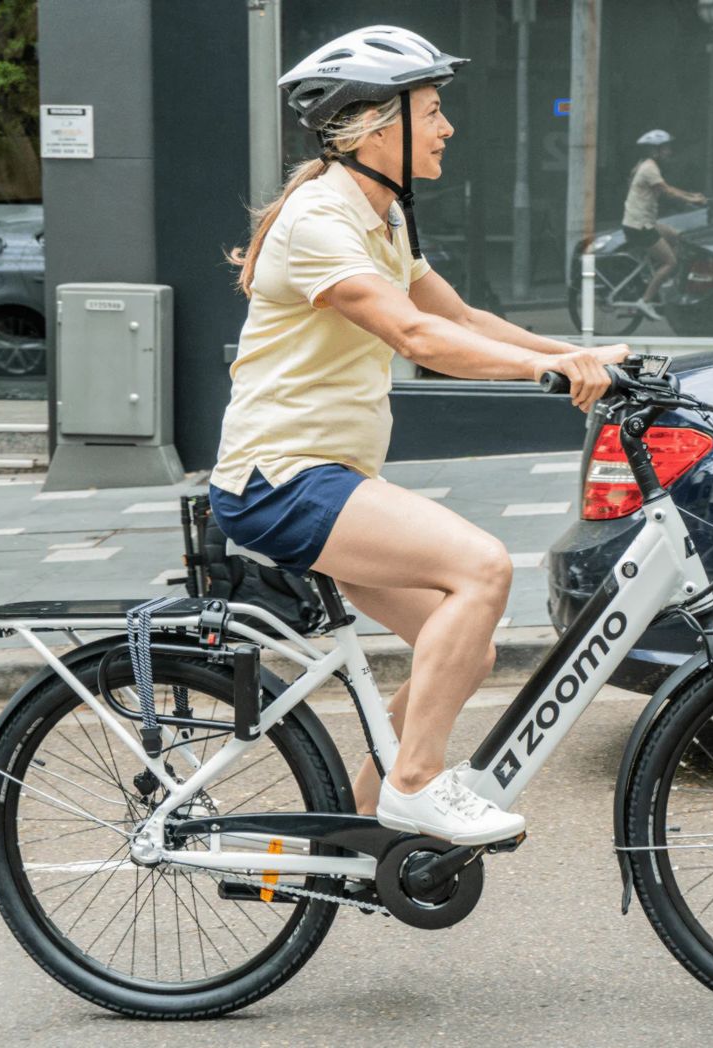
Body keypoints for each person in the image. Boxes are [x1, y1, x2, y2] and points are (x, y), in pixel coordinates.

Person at [209, 25, 629, 847]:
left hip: (328, 477)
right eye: (431, 112)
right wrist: (548, 377)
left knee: (465, 648)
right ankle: (414, 783)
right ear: (374, 128)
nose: (446, 128)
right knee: (481, 568)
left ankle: (355, 836)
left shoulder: (385, 215)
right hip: (281, 480)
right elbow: (418, 339)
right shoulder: (320, 220)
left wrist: (580, 355)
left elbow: (461, 318)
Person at [621, 129, 705, 322]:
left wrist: (693, 197)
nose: (669, 152)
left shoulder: (647, 165)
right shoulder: (649, 168)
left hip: (644, 222)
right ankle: (646, 300)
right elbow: (667, 191)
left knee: (677, 236)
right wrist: (693, 199)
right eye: (665, 148)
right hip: (640, 227)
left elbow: (667, 188)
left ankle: (660, 278)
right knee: (671, 262)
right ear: (654, 150)